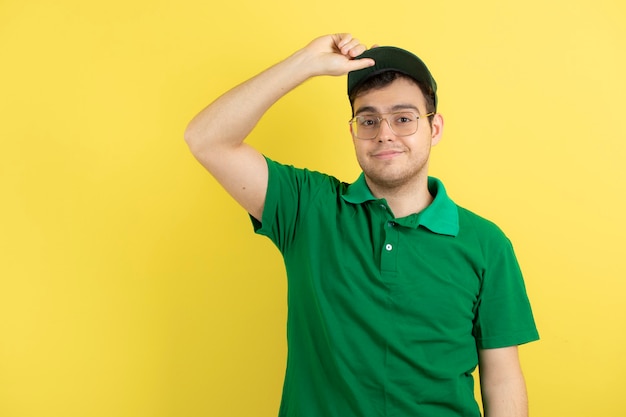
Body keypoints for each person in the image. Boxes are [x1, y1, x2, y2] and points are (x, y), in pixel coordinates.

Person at [185, 33, 539, 417]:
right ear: (353, 131)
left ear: (434, 129)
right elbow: (207, 139)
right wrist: (305, 63)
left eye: (404, 118)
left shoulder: (486, 243)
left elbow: (501, 377)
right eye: (368, 120)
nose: (384, 133)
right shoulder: (308, 208)